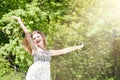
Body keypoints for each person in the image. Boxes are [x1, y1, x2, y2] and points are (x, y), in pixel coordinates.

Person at [13, 16, 85, 80]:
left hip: (44, 75)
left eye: (38, 36)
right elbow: (27, 33)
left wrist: (78, 47)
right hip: (34, 74)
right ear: (33, 42)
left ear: (42, 37)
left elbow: (64, 51)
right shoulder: (35, 49)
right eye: (34, 38)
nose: (36, 39)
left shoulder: (49, 52)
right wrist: (19, 20)